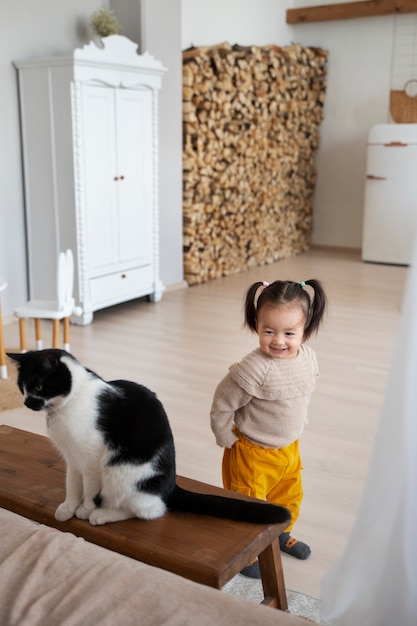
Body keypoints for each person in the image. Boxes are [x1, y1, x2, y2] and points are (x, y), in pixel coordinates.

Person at [210, 279, 327, 578]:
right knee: (250, 503)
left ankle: (279, 533)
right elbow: (223, 403)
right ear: (256, 324)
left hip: (289, 449)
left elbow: (301, 393)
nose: (278, 341)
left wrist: (298, 423)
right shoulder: (253, 370)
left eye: (290, 333)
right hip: (253, 453)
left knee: (289, 497)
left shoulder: (307, 358)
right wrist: (224, 435)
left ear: (305, 328)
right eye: (269, 331)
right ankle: (246, 548)